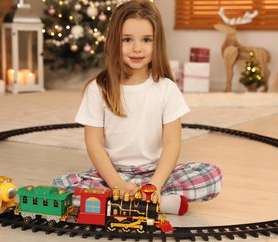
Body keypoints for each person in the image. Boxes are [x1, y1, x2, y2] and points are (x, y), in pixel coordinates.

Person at [51, 0, 222, 215]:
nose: (137, 48)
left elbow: (172, 144)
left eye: (146, 40)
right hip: (111, 175)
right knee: (60, 186)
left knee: (211, 175)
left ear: (157, 43)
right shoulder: (98, 89)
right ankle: (154, 204)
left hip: (155, 174)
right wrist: (117, 184)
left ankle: (138, 201)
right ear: (114, 41)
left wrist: (154, 186)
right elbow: (93, 144)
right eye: (127, 39)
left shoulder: (166, 89)